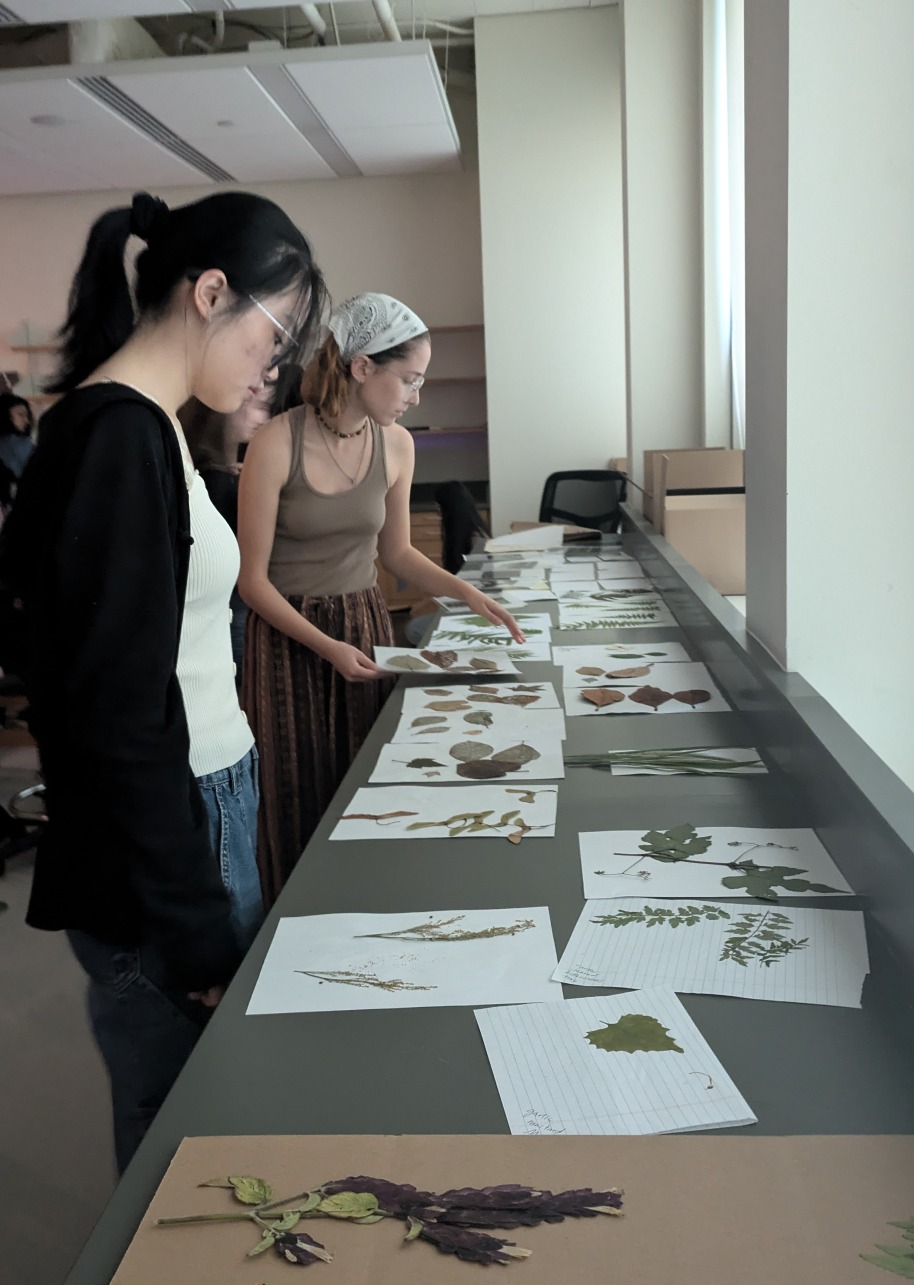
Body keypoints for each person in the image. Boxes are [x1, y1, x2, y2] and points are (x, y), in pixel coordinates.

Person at [0, 189, 324, 1172]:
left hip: (196, 810)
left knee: (203, 1114)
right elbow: (114, 715)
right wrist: (192, 928)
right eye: (275, 333)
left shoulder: (146, 428)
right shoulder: (115, 437)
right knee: (187, 1133)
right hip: (167, 837)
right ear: (210, 292)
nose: (273, 362)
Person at [238, 292, 523, 905]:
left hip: (363, 623)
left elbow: (397, 555)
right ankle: (295, 926)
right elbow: (252, 582)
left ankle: (368, 911)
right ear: (362, 367)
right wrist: (327, 648)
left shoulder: (397, 445)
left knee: (369, 782)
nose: (416, 395)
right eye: (410, 379)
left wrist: (469, 593)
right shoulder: (275, 443)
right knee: (297, 792)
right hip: (293, 637)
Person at [181, 388, 275, 680]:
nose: (263, 417)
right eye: (255, 405)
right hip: (230, 611)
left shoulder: (213, 471)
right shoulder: (218, 481)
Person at [0, 393, 36, 513]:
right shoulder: (17, 444)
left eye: (27, 415)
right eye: (20, 415)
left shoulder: (22, 443)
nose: (26, 420)